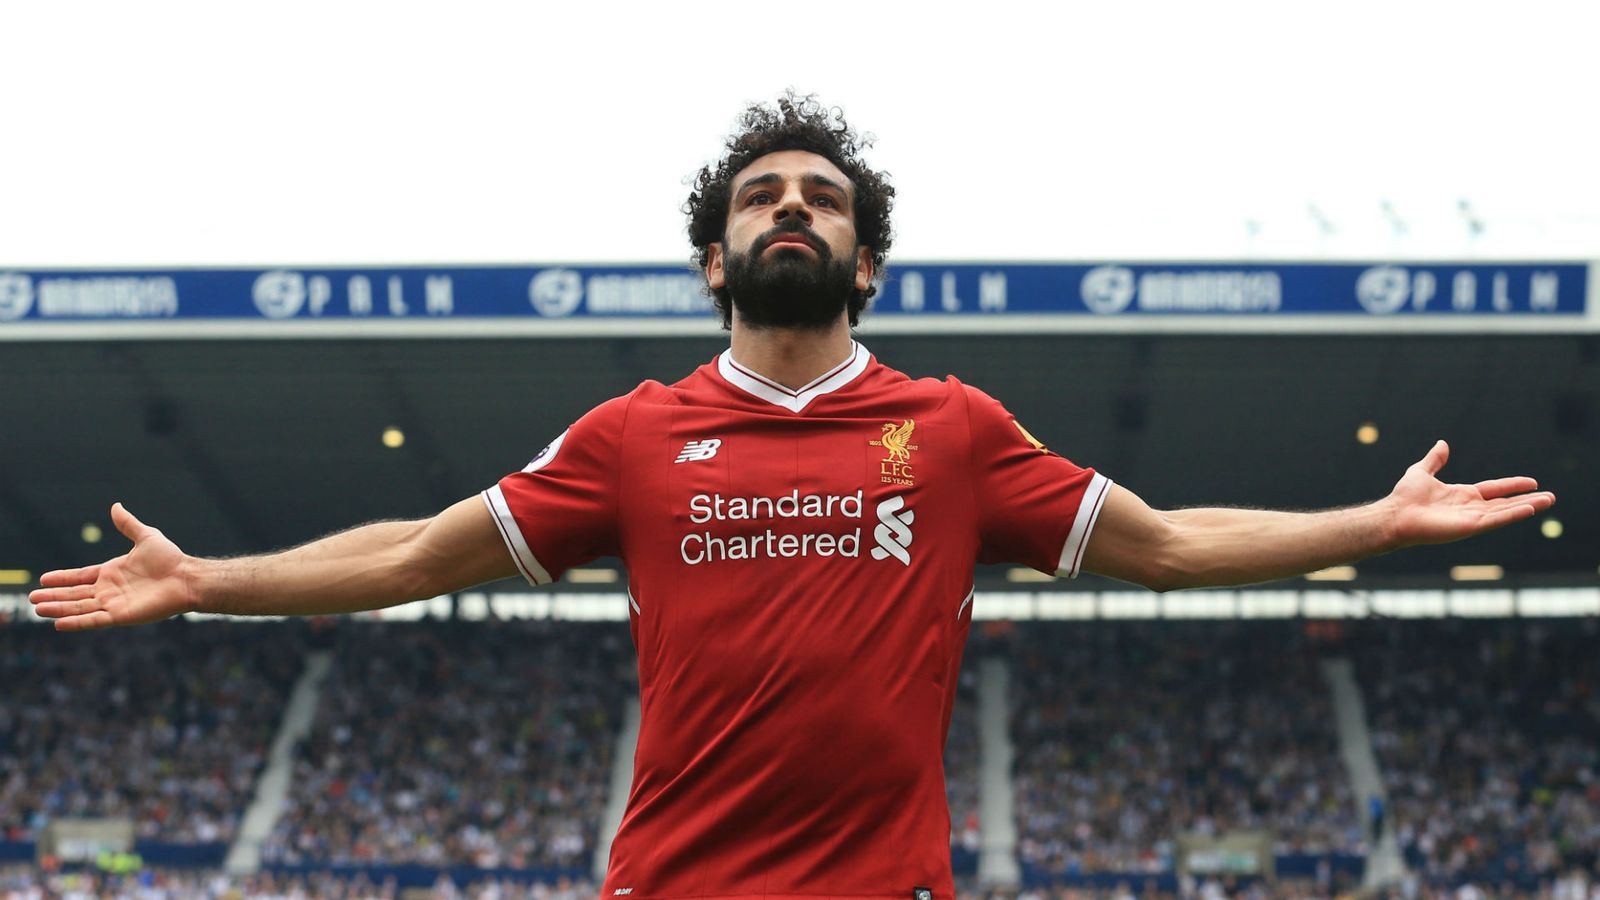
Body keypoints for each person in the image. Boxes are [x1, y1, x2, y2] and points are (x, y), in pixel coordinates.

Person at [30, 93, 1556, 900]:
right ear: (714, 256)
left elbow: (1160, 545)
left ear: (866, 258)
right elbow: (418, 553)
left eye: (821, 197)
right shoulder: (637, 435)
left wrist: (1369, 528)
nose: (790, 211)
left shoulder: (949, 429)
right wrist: (207, 575)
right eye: (761, 196)